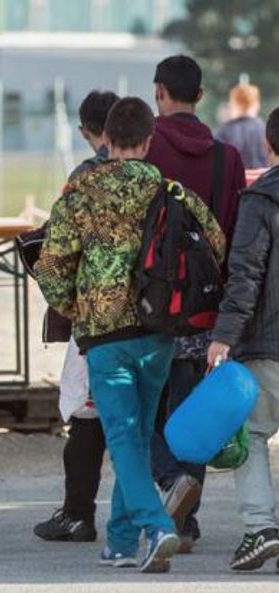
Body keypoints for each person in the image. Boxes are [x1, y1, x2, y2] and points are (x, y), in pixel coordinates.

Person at [36, 96, 226, 572]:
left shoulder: (83, 189)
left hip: (103, 333)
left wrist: (74, 306)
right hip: (158, 330)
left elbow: (52, 262)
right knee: (138, 433)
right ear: (148, 141)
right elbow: (215, 244)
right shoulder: (172, 191)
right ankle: (121, 543)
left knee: (121, 435)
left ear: (105, 138)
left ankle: (158, 525)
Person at [146, 55, 247, 551]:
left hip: (150, 304)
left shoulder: (145, 147)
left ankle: (166, 483)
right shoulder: (227, 158)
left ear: (159, 92)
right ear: (200, 97)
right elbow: (231, 228)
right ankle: (187, 520)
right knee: (193, 412)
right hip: (206, 304)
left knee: (144, 407)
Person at [33, 90, 119, 543]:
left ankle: (78, 512)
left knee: (88, 418)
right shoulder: (156, 176)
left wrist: (68, 304)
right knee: (138, 423)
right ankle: (166, 516)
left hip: (94, 319)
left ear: (87, 131)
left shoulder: (83, 179)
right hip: (152, 319)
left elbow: (54, 258)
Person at [207, 107, 279, 572]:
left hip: (268, 343)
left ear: (269, 145)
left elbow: (246, 275)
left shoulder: (261, 200)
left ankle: (261, 529)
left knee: (251, 433)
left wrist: (223, 337)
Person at [216, 83, 268, 169]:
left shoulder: (224, 131)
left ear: (233, 104)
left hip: (234, 180)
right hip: (264, 179)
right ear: (256, 104)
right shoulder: (265, 129)